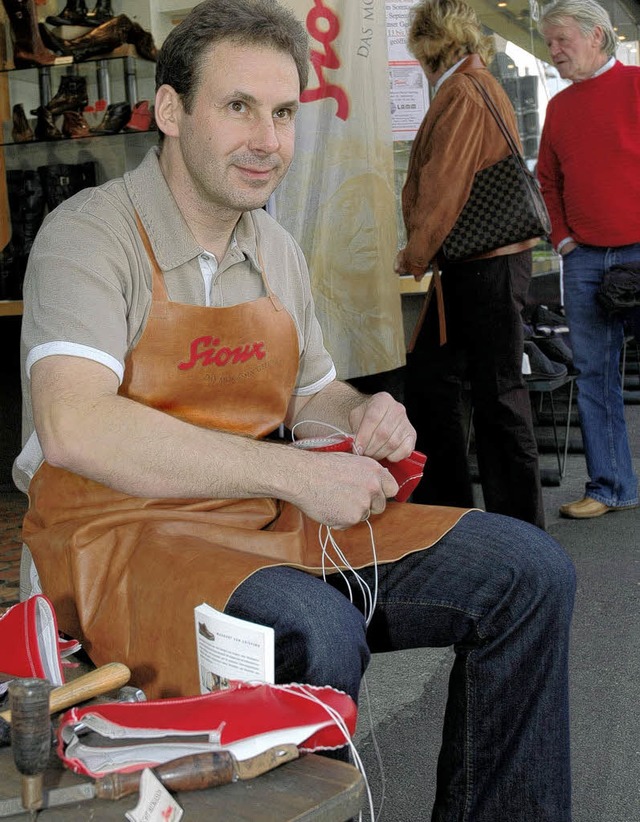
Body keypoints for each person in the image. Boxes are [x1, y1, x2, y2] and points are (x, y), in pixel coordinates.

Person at [14, 1, 575, 818]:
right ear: (170, 111)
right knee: (311, 630)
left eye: (282, 113)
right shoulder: (87, 237)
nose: (268, 140)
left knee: (530, 571)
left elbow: (310, 393)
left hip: (258, 520)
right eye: (238, 107)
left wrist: (360, 416)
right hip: (117, 538)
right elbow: (76, 423)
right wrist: (292, 473)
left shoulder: (273, 248)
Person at [395, 0, 545, 530]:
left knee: (490, 394)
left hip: (483, 265)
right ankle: (475, 521)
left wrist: (415, 252)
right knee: (463, 388)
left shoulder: (462, 91)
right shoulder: (475, 84)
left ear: (431, 44)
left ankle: (509, 529)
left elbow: (445, 184)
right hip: (484, 263)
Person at [537, 0, 640, 519]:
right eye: (549, 42)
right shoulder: (559, 107)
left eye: (561, 39)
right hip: (583, 258)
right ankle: (609, 486)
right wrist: (561, 239)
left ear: (597, 35)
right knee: (595, 376)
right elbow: (548, 180)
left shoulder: (636, 84)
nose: (553, 50)